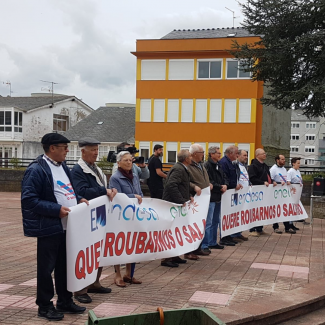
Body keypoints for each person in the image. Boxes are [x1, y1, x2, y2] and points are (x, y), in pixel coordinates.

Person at [21, 133, 86, 321]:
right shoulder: (36, 170)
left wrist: (78, 199)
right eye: (64, 147)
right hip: (49, 227)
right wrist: (56, 210)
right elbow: (29, 200)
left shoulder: (63, 166)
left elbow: (67, 190)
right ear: (52, 148)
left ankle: (65, 301)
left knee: (65, 267)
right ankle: (44, 305)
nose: (67, 150)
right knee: (46, 269)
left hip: (68, 227)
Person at [71, 137, 117, 303]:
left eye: (97, 149)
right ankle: (80, 290)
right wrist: (104, 190)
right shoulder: (78, 170)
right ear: (83, 151)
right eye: (93, 150)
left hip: (98, 215)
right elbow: (82, 191)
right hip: (86, 217)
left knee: (99, 249)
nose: (96, 153)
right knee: (87, 251)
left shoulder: (94, 168)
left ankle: (94, 282)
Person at [109, 151, 143, 287]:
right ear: (118, 163)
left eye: (130, 160)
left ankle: (129, 274)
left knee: (132, 243)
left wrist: (138, 197)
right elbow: (117, 197)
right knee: (119, 244)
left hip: (133, 215)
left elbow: (140, 193)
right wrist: (134, 197)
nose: (129, 162)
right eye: (126, 160)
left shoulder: (134, 176)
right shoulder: (115, 178)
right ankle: (117, 275)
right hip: (119, 215)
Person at [161, 149, 192, 267]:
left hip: (177, 204)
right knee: (170, 231)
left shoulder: (182, 168)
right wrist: (181, 200)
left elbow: (182, 186)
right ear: (185, 158)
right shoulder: (179, 169)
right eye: (189, 156)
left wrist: (188, 196)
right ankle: (166, 258)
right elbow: (171, 185)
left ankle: (174, 255)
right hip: (173, 204)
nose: (191, 158)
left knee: (177, 230)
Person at [187, 143, 212, 259]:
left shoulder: (201, 164)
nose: (204, 155)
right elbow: (185, 180)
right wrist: (194, 187)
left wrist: (208, 184)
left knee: (201, 223)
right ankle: (189, 251)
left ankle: (198, 247)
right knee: (192, 224)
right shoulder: (188, 165)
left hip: (203, 198)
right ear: (195, 154)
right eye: (202, 153)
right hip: (194, 199)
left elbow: (203, 177)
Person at [202, 146, 228, 253]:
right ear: (211, 154)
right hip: (211, 196)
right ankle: (205, 244)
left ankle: (213, 241)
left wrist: (225, 184)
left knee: (215, 221)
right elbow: (209, 180)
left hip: (218, 195)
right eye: (218, 153)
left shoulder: (219, 165)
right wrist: (219, 186)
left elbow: (224, 176)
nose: (220, 155)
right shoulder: (207, 165)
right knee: (208, 222)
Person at [248, 148, 277, 236]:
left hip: (264, 191)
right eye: (263, 154)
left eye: (265, 153)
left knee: (261, 210)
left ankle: (259, 228)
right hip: (257, 191)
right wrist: (262, 182)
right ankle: (252, 229)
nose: (265, 155)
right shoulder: (253, 166)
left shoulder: (265, 165)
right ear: (257, 155)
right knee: (255, 210)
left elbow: (267, 176)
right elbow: (252, 178)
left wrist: (272, 181)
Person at [219, 145, 244, 245]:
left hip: (232, 192)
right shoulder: (224, 163)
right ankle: (224, 237)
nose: (237, 155)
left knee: (230, 215)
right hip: (227, 192)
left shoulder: (233, 163)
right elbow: (225, 177)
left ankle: (228, 235)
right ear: (230, 153)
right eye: (236, 153)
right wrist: (234, 185)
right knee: (224, 215)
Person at [270, 154, 297, 234]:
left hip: (284, 193)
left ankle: (287, 227)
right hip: (276, 193)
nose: (284, 161)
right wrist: (278, 183)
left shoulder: (284, 169)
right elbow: (271, 180)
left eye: (284, 159)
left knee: (285, 209)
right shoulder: (273, 169)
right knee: (276, 210)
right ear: (277, 160)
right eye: (282, 159)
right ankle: (276, 227)